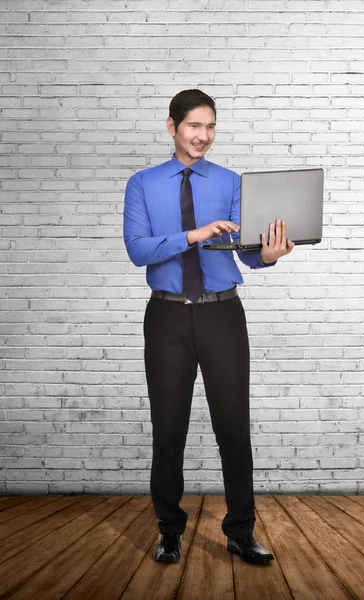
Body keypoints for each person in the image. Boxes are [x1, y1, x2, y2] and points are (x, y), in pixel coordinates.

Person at [123, 89, 294, 565]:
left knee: (234, 426)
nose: (203, 136)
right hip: (167, 316)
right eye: (194, 126)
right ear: (172, 126)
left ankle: (241, 531)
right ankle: (169, 531)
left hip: (222, 313)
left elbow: (246, 252)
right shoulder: (142, 184)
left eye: (211, 126)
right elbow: (138, 250)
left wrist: (267, 255)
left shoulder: (232, 182)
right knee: (168, 426)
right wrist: (192, 235)